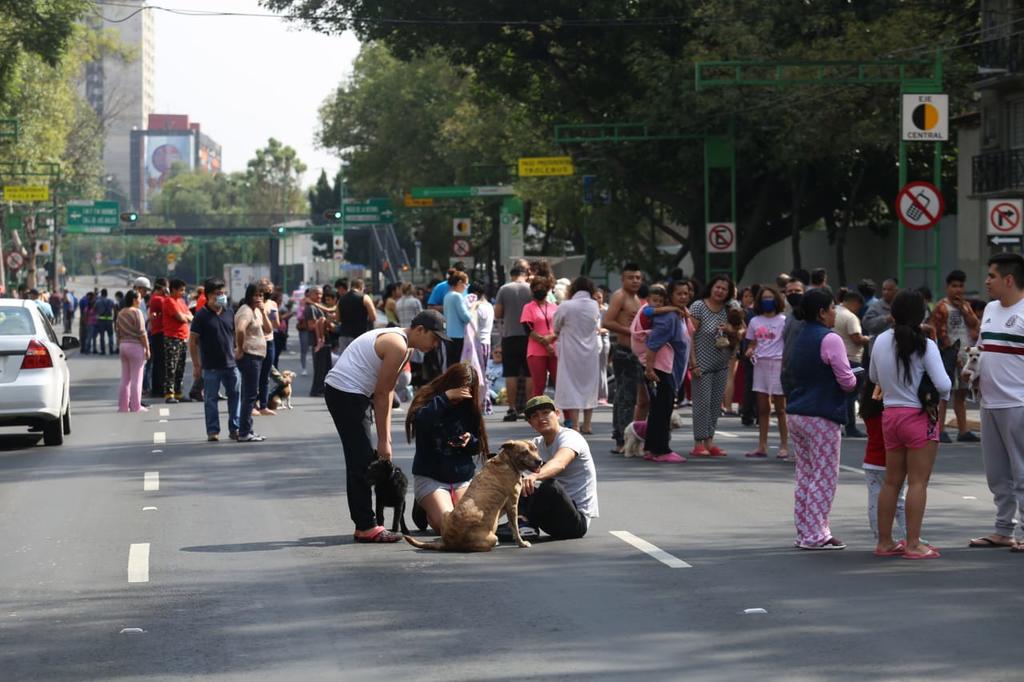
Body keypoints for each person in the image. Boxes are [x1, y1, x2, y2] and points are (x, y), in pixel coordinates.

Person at [323, 309, 449, 543]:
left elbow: (388, 392)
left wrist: (387, 438)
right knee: (360, 460)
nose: (435, 344)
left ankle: (367, 522)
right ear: (420, 330)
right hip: (346, 393)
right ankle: (365, 526)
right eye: (434, 338)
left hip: (354, 394)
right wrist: (383, 440)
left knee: (363, 457)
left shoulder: (406, 346)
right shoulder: (397, 345)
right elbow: (381, 394)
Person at [870, 289, 950, 560]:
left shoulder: (880, 340)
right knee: (918, 482)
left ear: (892, 313)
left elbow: (872, 375)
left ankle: (884, 541)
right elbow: (944, 384)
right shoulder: (925, 344)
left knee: (891, 481)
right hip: (917, 416)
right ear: (921, 316)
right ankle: (914, 543)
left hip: (890, 415)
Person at [784, 289, 858, 550]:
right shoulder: (830, 339)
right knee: (824, 475)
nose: (835, 312)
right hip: (821, 413)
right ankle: (816, 534)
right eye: (831, 307)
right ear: (821, 312)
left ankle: (806, 530)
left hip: (797, 411)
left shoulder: (800, 334)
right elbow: (847, 381)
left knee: (805, 474)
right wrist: (855, 376)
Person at [968, 253, 1024, 551]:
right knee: (997, 473)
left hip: (1018, 403)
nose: (987, 281)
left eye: (991, 276)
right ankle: (1004, 529)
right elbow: (981, 348)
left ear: (1009, 279)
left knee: (1022, 471)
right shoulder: (989, 309)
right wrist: (973, 370)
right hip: (989, 403)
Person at [407, 363, 489, 533]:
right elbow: (421, 423)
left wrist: (470, 440)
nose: (461, 397)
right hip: (432, 477)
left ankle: (433, 506)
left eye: (467, 391)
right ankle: (427, 506)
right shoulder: (429, 398)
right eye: (458, 391)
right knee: (449, 526)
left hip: (461, 477)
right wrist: (445, 398)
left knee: (469, 525)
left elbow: (478, 446)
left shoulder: (469, 407)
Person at [516, 395, 599, 540]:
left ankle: (525, 523)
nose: (541, 418)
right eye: (535, 416)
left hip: (575, 522)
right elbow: (510, 462)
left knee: (550, 485)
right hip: (549, 522)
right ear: (530, 423)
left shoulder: (571, 437)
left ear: (557, 414)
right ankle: (521, 524)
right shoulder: (535, 444)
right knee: (514, 479)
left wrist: (535, 475)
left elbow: (559, 463)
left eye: (546, 412)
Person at [688, 275, 743, 457]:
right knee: (702, 404)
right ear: (711, 287)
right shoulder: (698, 307)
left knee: (714, 405)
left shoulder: (730, 309)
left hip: (722, 363)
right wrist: (693, 363)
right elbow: (689, 336)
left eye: (724, 289)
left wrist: (730, 330)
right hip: (701, 364)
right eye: (717, 287)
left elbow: (742, 331)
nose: (720, 291)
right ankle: (698, 443)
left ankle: (710, 442)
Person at [637, 280, 692, 463]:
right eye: (679, 294)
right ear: (670, 296)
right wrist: (650, 369)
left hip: (667, 368)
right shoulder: (668, 318)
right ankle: (661, 450)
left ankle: (652, 449)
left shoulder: (677, 315)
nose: (683, 297)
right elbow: (653, 344)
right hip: (661, 369)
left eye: (686, 293)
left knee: (659, 410)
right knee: (663, 410)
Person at [930, 270, 981, 444]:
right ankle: (940, 429)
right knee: (945, 393)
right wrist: (952, 352)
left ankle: (963, 430)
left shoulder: (965, 305)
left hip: (965, 353)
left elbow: (975, 324)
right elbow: (940, 333)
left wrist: (963, 310)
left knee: (961, 393)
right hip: (948, 354)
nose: (957, 290)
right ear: (947, 287)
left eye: (960, 286)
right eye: (954, 286)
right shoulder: (942, 307)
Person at [189, 278, 241, 442]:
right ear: (208, 296)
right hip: (210, 366)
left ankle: (235, 428)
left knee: (235, 396)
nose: (222, 296)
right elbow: (192, 341)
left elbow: (235, 333)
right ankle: (213, 431)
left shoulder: (229, 312)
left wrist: (238, 348)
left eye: (223, 293)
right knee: (210, 400)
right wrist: (197, 365)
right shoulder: (201, 316)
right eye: (218, 294)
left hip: (231, 364)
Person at [743, 286, 789, 459]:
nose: (767, 300)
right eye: (764, 298)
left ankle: (784, 445)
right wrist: (750, 350)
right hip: (760, 364)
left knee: (781, 408)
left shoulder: (784, 320)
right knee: (762, 408)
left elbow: (788, 342)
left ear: (776, 299)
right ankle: (762, 446)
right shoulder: (755, 321)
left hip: (778, 364)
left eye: (770, 297)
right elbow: (752, 342)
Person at [605, 263, 647, 453]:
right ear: (623, 279)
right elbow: (607, 321)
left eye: (638, 277)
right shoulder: (620, 296)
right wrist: (630, 331)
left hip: (637, 353)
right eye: (631, 277)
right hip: (623, 352)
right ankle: (621, 438)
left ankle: (630, 436)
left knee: (636, 397)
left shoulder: (637, 298)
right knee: (625, 397)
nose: (635, 281)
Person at [553, 277, 601, 433]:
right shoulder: (595, 305)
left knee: (570, 385)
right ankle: (588, 424)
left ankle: (574, 425)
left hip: (570, 351)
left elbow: (556, 326)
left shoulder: (566, 305)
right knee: (589, 386)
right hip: (591, 352)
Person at [494, 263, 533, 421]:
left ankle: (511, 409)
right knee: (530, 373)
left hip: (510, 336)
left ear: (512, 275)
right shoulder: (531, 289)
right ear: (525, 274)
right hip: (529, 335)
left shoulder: (504, 289)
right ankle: (530, 407)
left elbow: (498, 314)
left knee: (511, 373)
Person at [234, 284, 272, 442]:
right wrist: (241, 349)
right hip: (250, 356)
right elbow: (241, 329)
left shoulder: (256, 311)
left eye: (261, 295)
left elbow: (269, 329)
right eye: (255, 295)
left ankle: (247, 429)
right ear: (249, 295)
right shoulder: (246, 311)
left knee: (250, 394)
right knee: (250, 395)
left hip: (257, 357)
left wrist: (263, 311)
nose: (258, 298)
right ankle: (244, 431)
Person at [833, 289, 870, 438]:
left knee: (838, 394)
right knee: (851, 395)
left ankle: (837, 425)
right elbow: (856, 338)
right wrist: (869, 339)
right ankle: (851, 426)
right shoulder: (850, 317)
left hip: (835, 360)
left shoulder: (833, 311)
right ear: (855, 302)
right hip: (852, 360)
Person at [521, 275, 558, 398]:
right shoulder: (528, 307)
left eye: (541, 287)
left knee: (560, 384)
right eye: (535, 287)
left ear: (547, 289)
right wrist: (546, 343)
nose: (538, 289)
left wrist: (552, 338)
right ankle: (536, 414)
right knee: (539, 386)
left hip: (556, 350)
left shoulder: (555, 307)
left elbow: (560, 328)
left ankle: (567, 416)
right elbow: (529, 330)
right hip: (536, 352)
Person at [115, 290, 150, 413]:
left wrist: (120, 343)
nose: (140, 301)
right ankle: (136, 406)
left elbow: (117, 331)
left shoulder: (121, 313)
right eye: (139, 298)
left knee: (125, 378)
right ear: (134, 300)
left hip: (123, 345)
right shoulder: (137, 312)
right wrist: (147, 348)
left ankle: (123, 406)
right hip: (136, 346)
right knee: (137, 378)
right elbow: (142, 332)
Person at [161, 279, 192, 403]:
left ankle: (178, 392)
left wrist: (186, 317)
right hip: (172, 337)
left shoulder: (181, 301)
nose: (183, 293)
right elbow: (180, 318)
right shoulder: (169, 301)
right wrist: (185, 317)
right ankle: (169, 393)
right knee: (171, 367)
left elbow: (189, 315)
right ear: (173, 289)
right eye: (181, 290)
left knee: (180, 367)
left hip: (183, 337)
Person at [255, 279, 279, 416]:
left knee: (265, 375)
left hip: (269, 342)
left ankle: (263, 405)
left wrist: (269, 315)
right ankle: (253, 404)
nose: (267, 292)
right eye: (264, 289)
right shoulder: (252, 304)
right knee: (254, 375)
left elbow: (276, 325)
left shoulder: (272, 304)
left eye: (269, 289)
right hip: (255, 342)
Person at [303, 286, 331, 397]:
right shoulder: (311, 308)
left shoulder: (319, 306)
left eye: (320, 294)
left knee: (325, 367)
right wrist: (324, 323)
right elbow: (311, 326)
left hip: (325, 341)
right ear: (310, 295)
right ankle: (316, 390)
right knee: (319, 368)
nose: (319, 296)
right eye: (316, 294)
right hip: (317, 342)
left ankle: (322, 388)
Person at [337, 278, 377, 354]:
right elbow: (373, 317)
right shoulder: (365, 298)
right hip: (359, 336)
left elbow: (337, 318)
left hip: (344, 336)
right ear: (361, 287)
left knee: (345, 360)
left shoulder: (341, 299)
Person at [443, 271, 472, 368]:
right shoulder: (457, 296)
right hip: (458, 336)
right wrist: (473, 311)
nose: (466, 287)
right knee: (459, 364)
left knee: (450, 363)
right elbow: (465, 317)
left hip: (448, 334)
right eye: (466, 284)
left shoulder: (447, 296)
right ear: (459, 283)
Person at [148, 278, 168, 398]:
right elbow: (170, 306)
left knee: (158, 362)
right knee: (161, 362)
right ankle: (159, 388)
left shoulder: (156, 298)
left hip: (158, 332)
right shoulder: (158, 299)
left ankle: (157, 387)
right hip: (159, 333)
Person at [93, 288, 115, 354]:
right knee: (110, 336)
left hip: (101, 321)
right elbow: (115, 309)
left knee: (102, 336)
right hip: (109, 321)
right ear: (107, 294)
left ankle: (103, 351)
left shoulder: (98, 302)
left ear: (101, 294)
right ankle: (111, 350)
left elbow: (94, 310)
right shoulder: (111, 301)